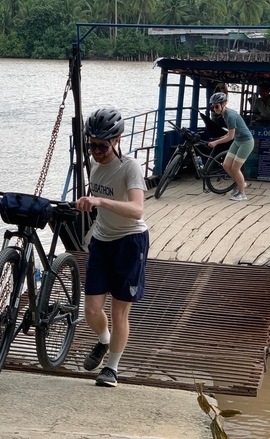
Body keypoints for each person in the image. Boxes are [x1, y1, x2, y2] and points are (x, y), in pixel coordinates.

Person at [75, 107, 149, 387]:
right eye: (91, 145)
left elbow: (137, 209)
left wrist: (99, 202)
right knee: (92, 310)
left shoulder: (129, 167)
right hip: (102, 240)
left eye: (102, 146)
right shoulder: (94, 164)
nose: (96, 151)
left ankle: (112, 368)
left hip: (130, 241)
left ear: (117, 140)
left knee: (119, 311)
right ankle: (103, 341)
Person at [207, 92, 254, 201]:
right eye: (212, 106)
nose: (215, 109)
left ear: (224, 104)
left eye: (217, 106)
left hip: (246, 142)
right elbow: (231, 133)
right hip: (238, 141)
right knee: (226, 165)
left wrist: (216, 142)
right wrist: (224, 136)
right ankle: (240, 182)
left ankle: (242, 193)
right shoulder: (224, 114)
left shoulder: (230, 116)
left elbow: (230, 137)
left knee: (235, 168)